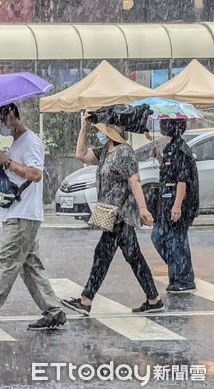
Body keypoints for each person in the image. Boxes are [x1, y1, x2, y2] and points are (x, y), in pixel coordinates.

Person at [0, 103, 67, 331]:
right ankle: (53, 311)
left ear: (11, 114)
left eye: (0, 118)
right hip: (16, 212)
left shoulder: (31, 141)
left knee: (6, 263)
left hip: (23, 215)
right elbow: (15, 174)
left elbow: (36, 174)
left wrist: (6, 161)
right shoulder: (17, 143)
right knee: (30, 266)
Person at [62, 114, 164, 315]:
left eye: (101, 130)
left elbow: (134, 180)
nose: (99, 133)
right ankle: (154, 299)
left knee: (102, 255)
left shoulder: (124, 152)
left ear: (111, 131)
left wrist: (143, 209)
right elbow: (81, 154)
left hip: (121, 214)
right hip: (112, 214)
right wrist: (83, 126)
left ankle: (86, 299)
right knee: (133, 257)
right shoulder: (106, 151)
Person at [150, 119, 199, 293]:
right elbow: (170, 172)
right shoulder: (171, 148)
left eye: (165, 123)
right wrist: (158, 157)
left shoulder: (181, 150)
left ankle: (183, 279)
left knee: (175, 240)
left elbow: (182, 180)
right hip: (168, 202)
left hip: (180, 204)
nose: (162, 126)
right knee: (162, 237)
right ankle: (180, 274)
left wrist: (177, 206)